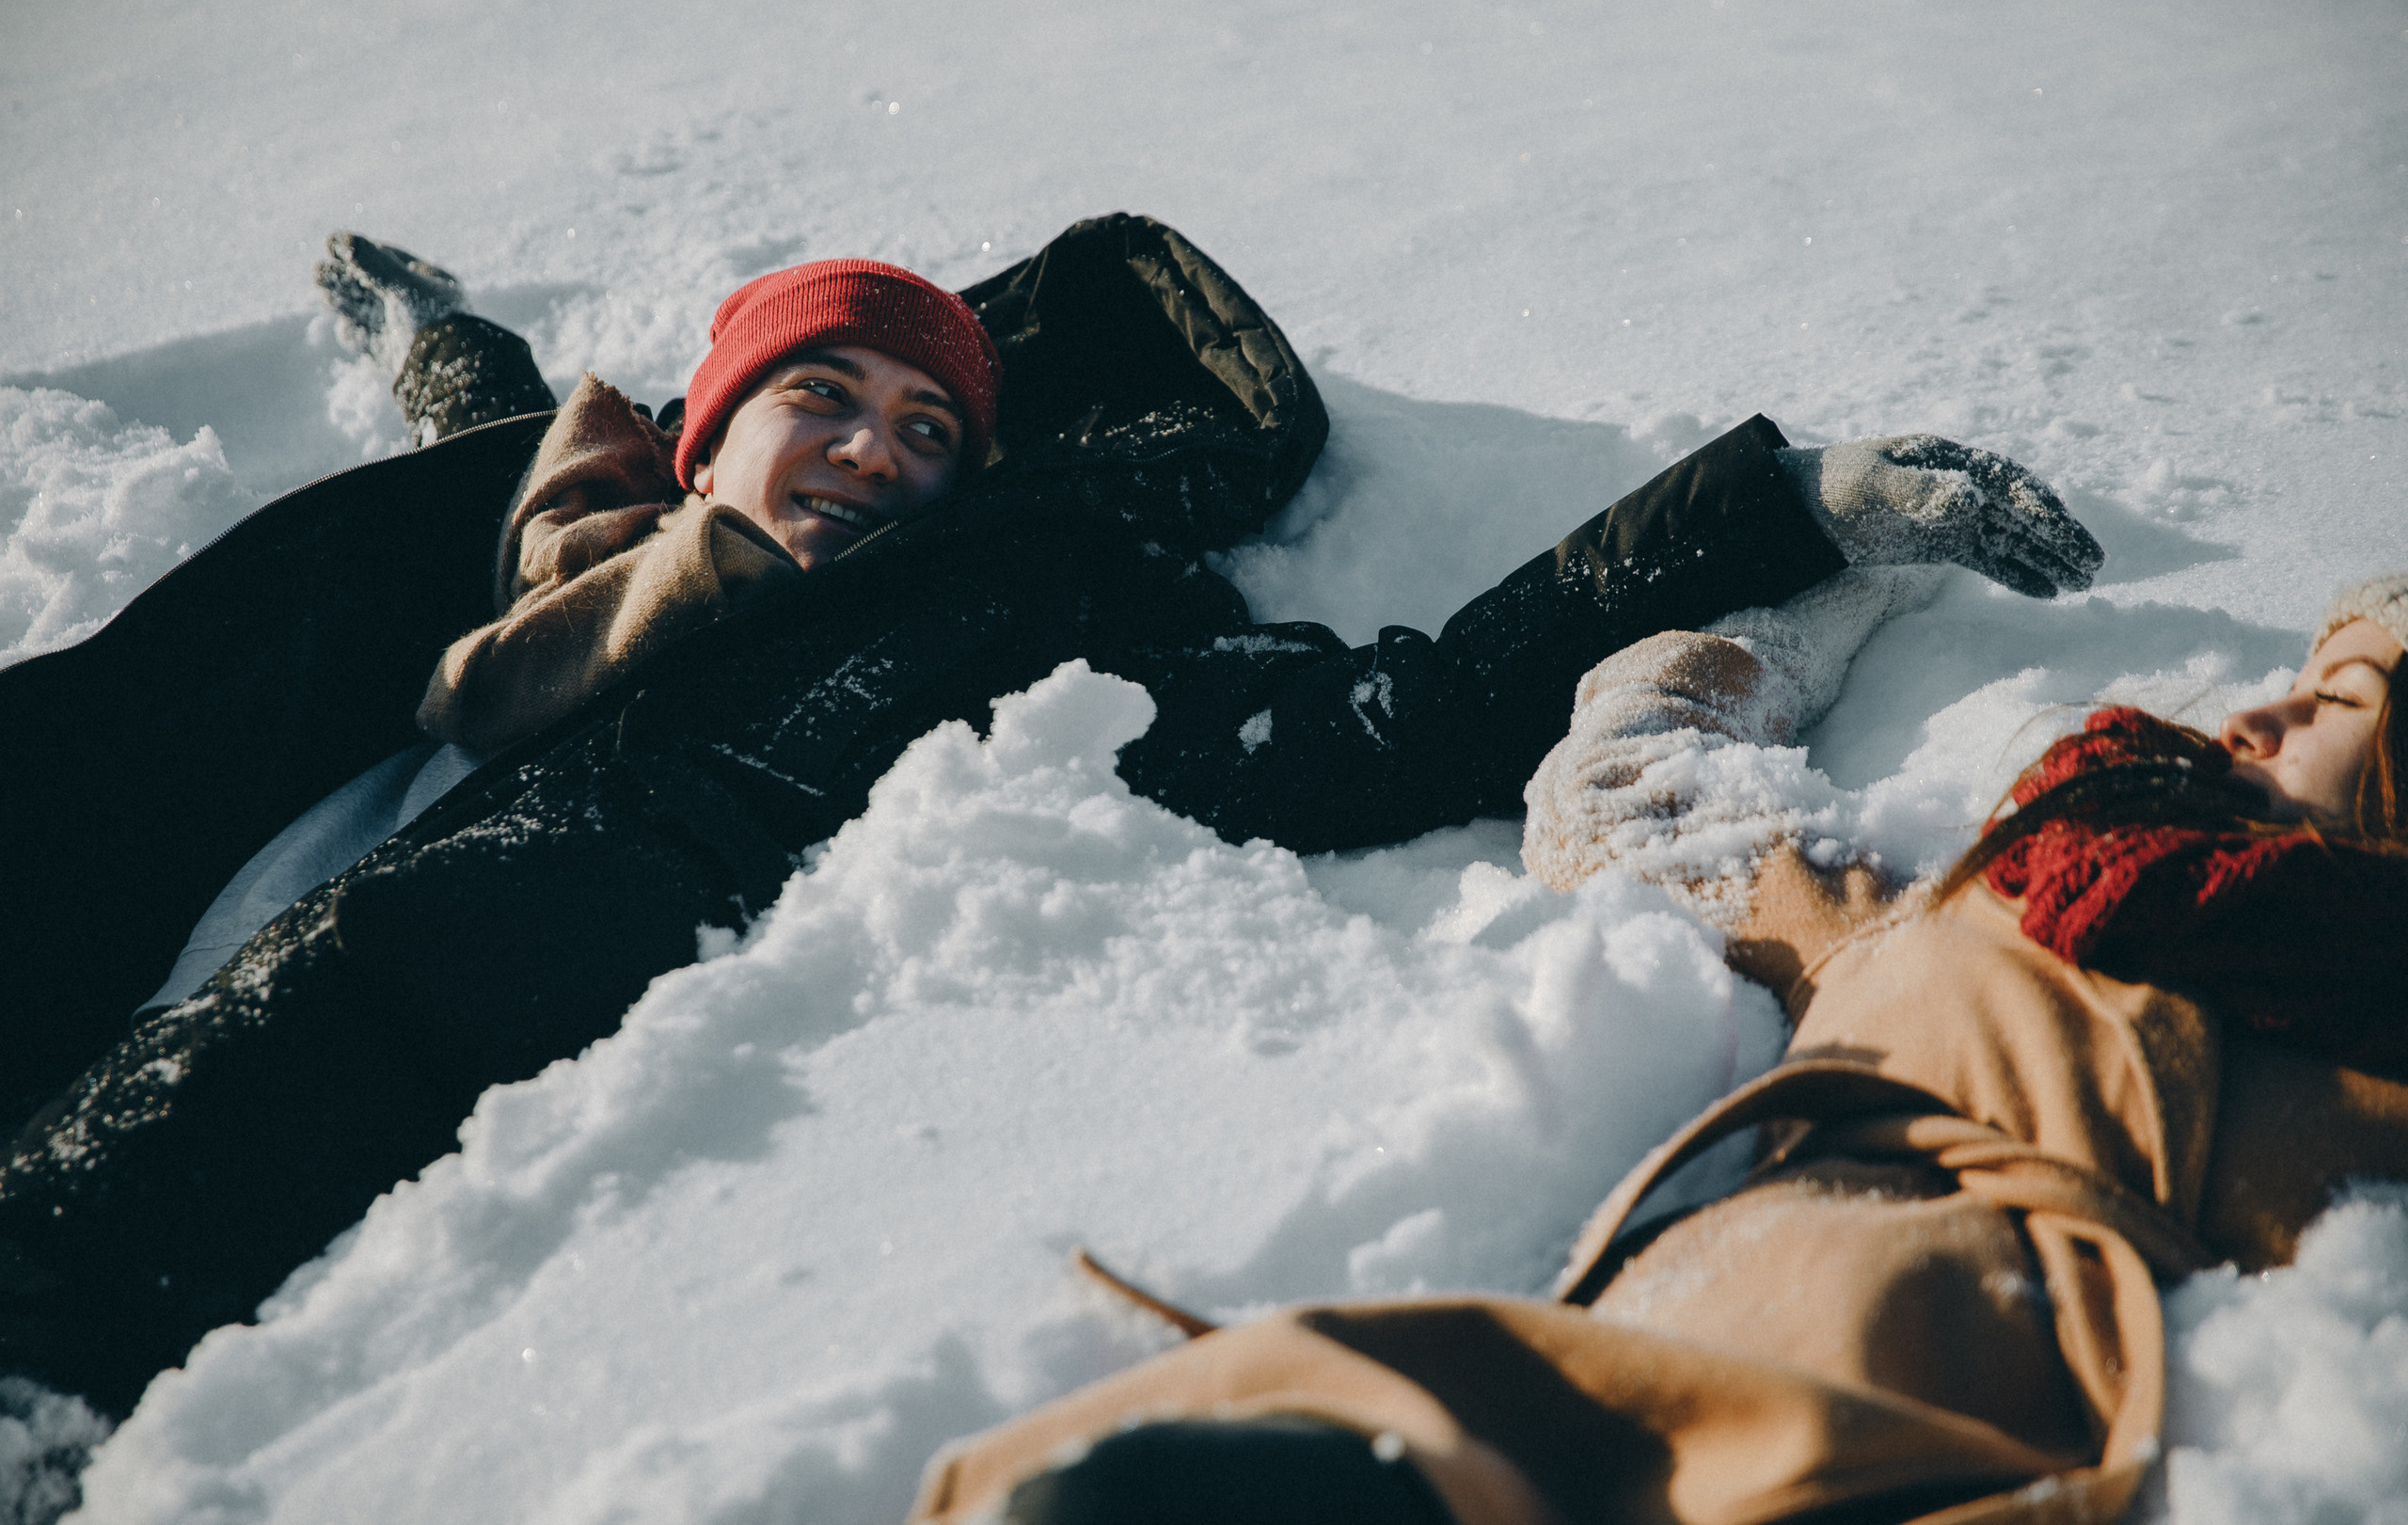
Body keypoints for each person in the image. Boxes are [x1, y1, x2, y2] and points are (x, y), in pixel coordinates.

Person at [0, 217, 2102, 1416]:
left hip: (310, 1113)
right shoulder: (531, 555)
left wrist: (1775, 503)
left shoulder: (976, 630)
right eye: (820, 395)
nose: (872, 452)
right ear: (708, 432)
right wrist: (440, 335)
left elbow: (1412, 706)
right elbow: (508, 420)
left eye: (928, 428)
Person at [902, 573, 2408, 1525]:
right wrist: (1782, 617)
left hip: (1915, 1414)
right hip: (1656, 1359)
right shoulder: (2001, 890)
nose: (2264, 711)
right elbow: (1636, 799)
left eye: (2343, 699)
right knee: (1123, 1496)